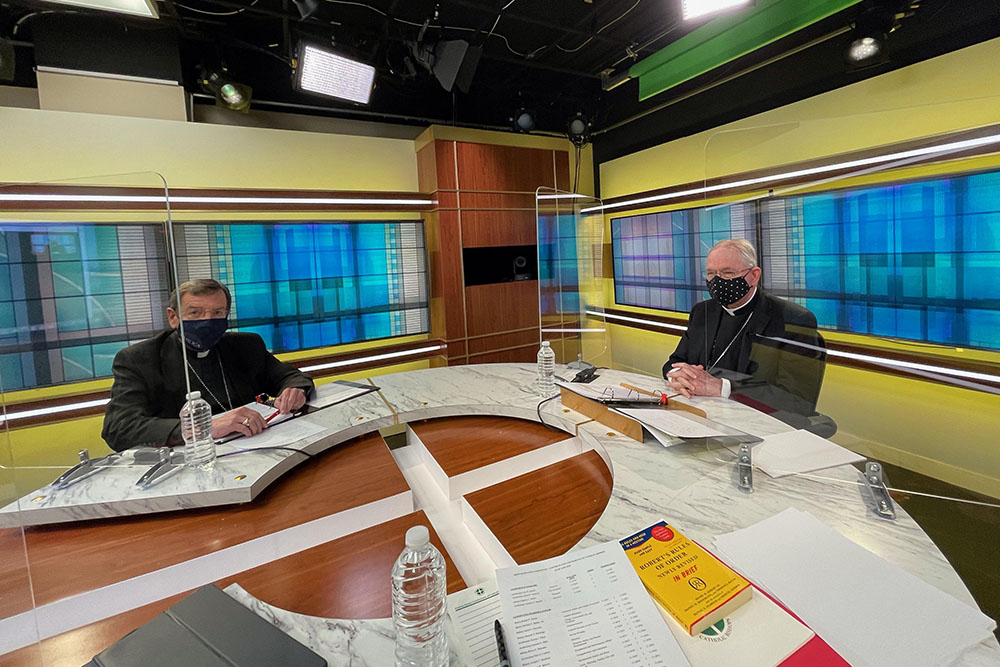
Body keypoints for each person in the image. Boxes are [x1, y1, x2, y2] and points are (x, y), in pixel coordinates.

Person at [102, 279, 314, 452]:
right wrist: (203, 428)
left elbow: (289, 376)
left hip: (257, 446)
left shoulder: (245, 345)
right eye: (195, 313)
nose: (207, 321)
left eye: (217, 313)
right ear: (173, 317)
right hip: (192, 458)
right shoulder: (140, 358)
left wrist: (294, 390)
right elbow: (119, 428)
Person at [664, 239, 827, 423]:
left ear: (754, 275)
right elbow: (674, 363)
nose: (718, 281)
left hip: (758, 425)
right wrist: (679, 377)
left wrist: (722, 388)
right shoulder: (702, 312)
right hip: (698, 415)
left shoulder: (792, 319)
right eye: (711, 274)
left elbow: (796, 400)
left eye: (727, 273)